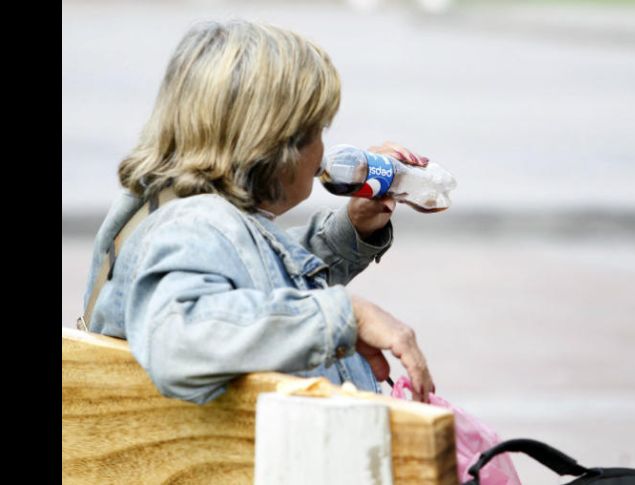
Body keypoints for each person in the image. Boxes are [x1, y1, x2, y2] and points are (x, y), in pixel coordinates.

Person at [80, 20, 435, 405]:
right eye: (317, 132)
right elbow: (179, 339)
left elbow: (254, 275)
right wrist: (341, 316)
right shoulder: (194, 224)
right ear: (273, 146)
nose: (322, 151)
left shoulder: (167, 209)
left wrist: (351, 229)